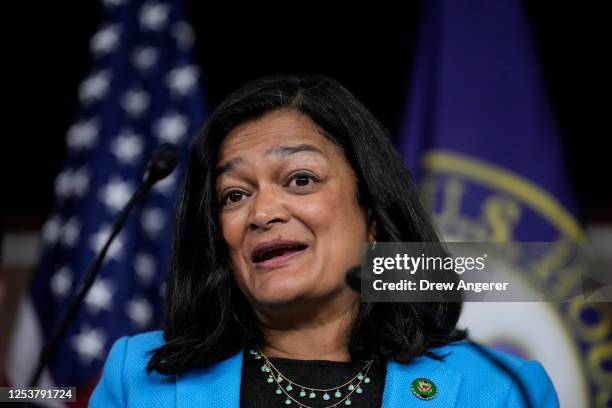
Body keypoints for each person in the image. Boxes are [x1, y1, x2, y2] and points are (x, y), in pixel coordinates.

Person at [89, 74, 559, 407]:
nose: (263, 212)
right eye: (234, 194)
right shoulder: (139, 379)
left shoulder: (500, 389)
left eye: (299, 180)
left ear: (372, 214)